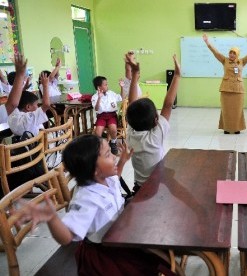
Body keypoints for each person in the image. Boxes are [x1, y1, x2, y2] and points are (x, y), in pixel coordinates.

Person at [15, 135, 172, 275]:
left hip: (121, 238)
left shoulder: (107, 178)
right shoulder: (86, 200)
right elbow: (66, 238)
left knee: (159, 255)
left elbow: (116, 180)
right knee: (152, 265)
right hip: (105, 255)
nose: (114, 156)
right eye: (108, 155)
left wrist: (123, 161)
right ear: (95, 170)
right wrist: (52, 218)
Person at [125, 53, 180, 194]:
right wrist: (177, 76)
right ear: (156, 120)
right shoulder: (155, 137)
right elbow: (168, 104)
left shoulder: (131, 133)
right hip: (157, 190)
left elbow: (132, 104)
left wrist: (135, 75)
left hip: (138, 188)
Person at [203, 33, 247, 134]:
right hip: (226, 89)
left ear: (237, 54)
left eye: (234, 53)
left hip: (238, 90)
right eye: (230, 52)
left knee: (237, 110)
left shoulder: (242, 61)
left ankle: (237, 128)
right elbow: (215, 52)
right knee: (226, 110)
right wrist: (207, 42)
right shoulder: (224, 60)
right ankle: (226, 128)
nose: (231, 54)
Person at [8, 71, 50, 136]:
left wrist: (24, 89)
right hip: (39, 143)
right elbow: (46, 105)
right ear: (28, 107)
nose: (37, 107)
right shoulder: (30, 118)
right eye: (36, 105)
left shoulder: (13, 115)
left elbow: (16, 100)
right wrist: (45, 86)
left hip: (22, 144)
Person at [91, 76, 122, 155]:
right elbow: (96, 109)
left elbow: (120, 97)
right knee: (98, 133)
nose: (107, 86)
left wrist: (122, 87)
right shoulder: (94, 97)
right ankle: (101, 147)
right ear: (99, 87)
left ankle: (113, 143)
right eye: (105, 84)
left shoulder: (111, 93)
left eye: (107, 84)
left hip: (112, 115)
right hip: (101, 116)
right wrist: (99, 98)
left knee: (113, 129)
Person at [0, 54, 27, 124]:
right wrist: (20, 74)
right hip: (11, 118)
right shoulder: (8, 87)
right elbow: (12, 104)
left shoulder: (19, 86)